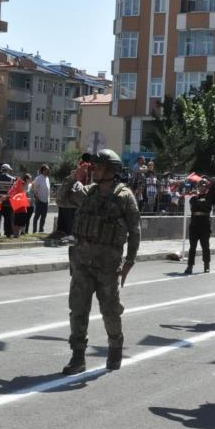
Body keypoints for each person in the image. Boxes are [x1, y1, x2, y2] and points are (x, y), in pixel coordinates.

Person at [57, 149, 141, 375]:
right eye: (94, 167)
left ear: (112, 170)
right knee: (78, 310)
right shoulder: (88, 193)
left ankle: (115, 346)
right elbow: (62, 199)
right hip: (82, 263)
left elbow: (135, 231)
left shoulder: (124, 196)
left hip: (107, 266)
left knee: (110, 310)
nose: (94, 170)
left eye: (99, 167)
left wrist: (129, 262)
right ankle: (77, 357)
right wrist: (73, 177)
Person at [184, 179, 213, 275]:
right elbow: (193, 205)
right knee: (192, 247)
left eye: (203, 186)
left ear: (206, 187)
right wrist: (201, 202)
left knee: (205, 246)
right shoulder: (194, 198)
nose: (202, 188)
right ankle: (190, 266)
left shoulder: (209, 198)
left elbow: (207, 206)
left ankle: (206, 265)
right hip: (194, 224)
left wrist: (201, 203)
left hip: (204, 224)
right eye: (200, 186)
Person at [0, 163, 15, 238]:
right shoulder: (12, 179)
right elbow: (13, 191)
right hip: (8, 202)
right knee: (8, 219)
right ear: (8, 170)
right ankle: (8, 233)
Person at [32, 164, 51, 234]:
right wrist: (36, 197)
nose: (47, 171)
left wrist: (49, 200)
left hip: (46, 201)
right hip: (39, 200)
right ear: (42, 170)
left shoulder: (47, 178)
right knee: (37, 216)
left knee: (43, 216)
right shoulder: (38, 178)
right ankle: (34, 230)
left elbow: (48, 189)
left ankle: (41, 230)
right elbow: (34, 188)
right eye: (46, 169)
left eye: (48, 170)